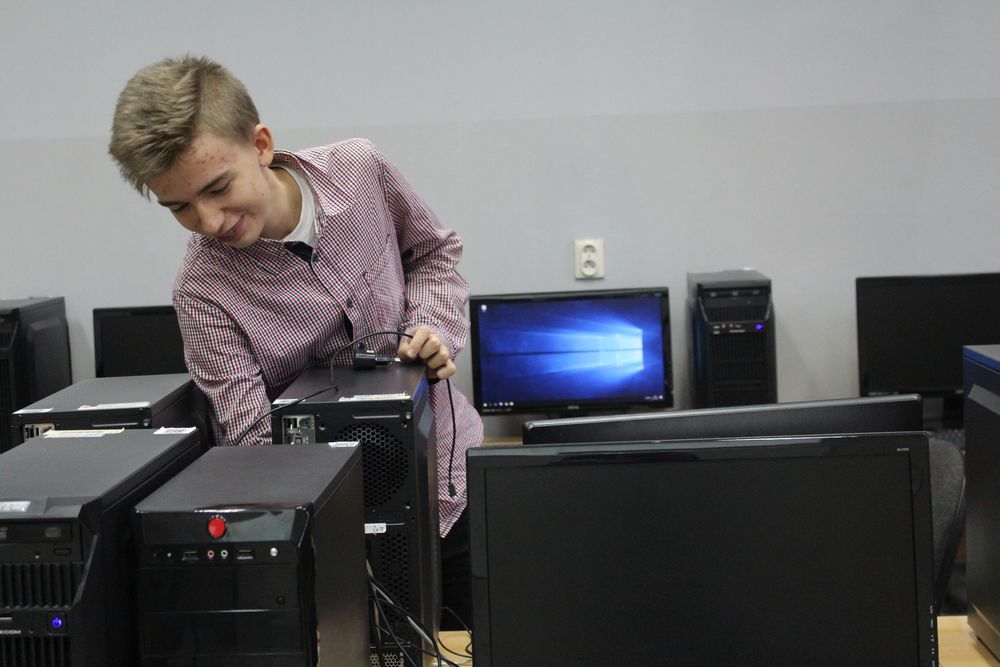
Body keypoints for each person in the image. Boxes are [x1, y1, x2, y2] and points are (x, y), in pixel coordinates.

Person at [108, 55, 483, 629]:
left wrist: (433, 329)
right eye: (179, 207)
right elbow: (252, 443)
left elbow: (433, 253)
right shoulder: (202, 292)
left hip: (451, 488)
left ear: (260, 144)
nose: (209, 221)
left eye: (218, 188)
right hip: (337, 546)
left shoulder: (360, 170)